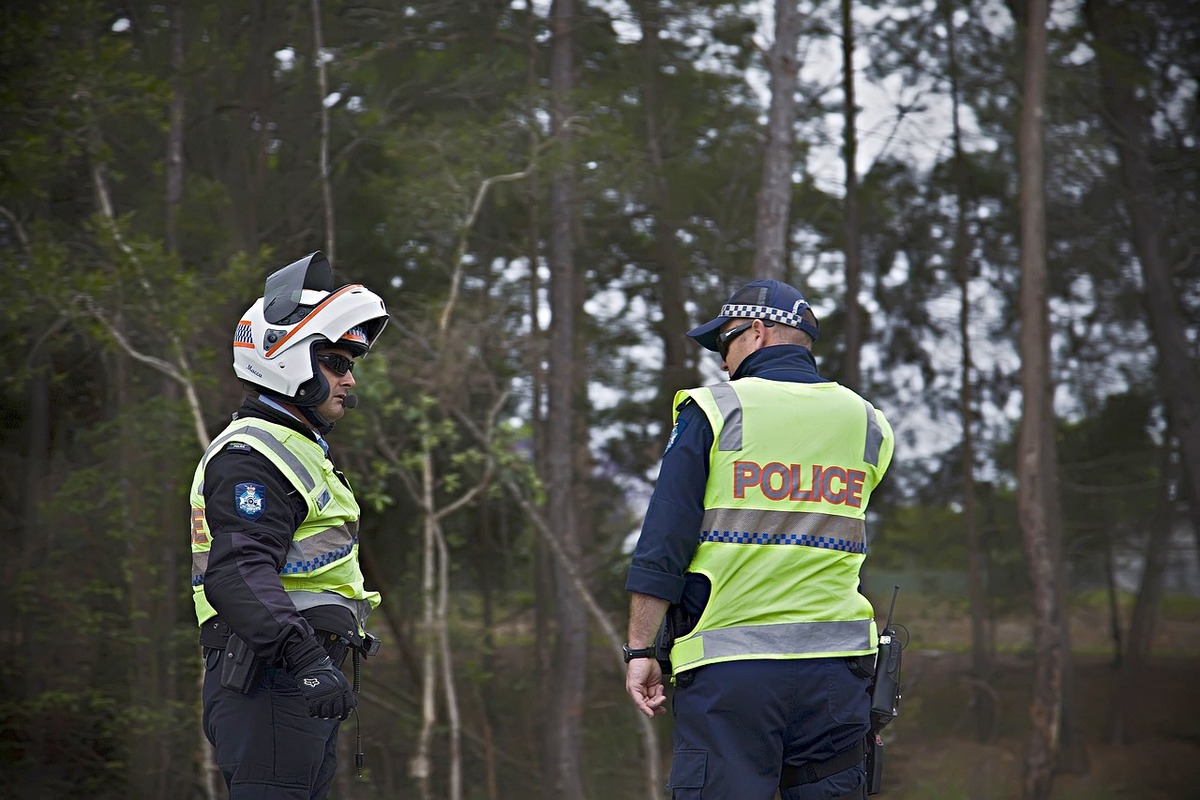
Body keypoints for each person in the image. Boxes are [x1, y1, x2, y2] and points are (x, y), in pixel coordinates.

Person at [623, 279, 894, 800]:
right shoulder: (868, 422)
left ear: (759, 331)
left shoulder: (714, 410)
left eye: (725, 342)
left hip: (732, 670)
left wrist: (640, 647)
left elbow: (664, 543)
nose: (723, 362)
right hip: (838, 672)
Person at [188, 251, 389, 799]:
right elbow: (237, 574)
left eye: (351, 364)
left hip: (296, 676)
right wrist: (305, 661)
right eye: (337, 363)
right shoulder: (254, 457)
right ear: (289, 359)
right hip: (271, 678)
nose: (350, 380)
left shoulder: (296, 449)